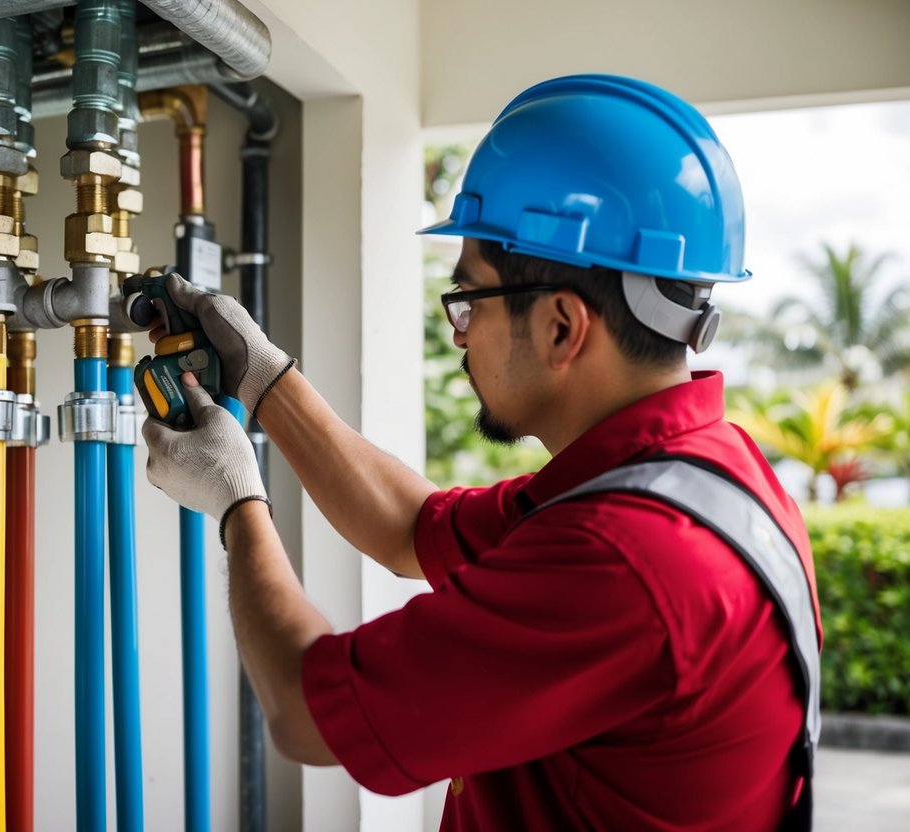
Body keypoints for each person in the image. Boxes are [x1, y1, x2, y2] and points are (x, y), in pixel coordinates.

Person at [141, 74, 822, 831]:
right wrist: (261, 375)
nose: (458, 331)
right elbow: (410, 528)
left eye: (469, 300)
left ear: (563, 327)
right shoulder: (690, 475)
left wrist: (237, 500)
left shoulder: (623, 555)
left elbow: (304, 711)